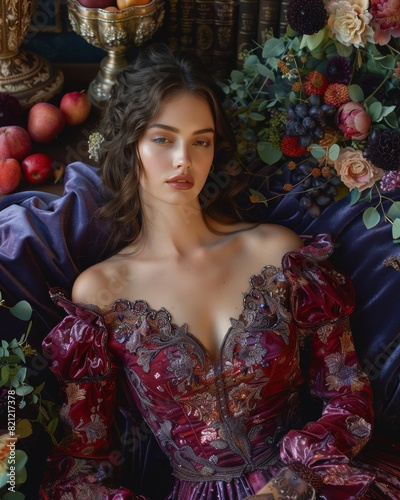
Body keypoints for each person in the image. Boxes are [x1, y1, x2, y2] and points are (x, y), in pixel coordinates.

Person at [39, 43, 389, 499]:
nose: (184, 159)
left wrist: (292, 484)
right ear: (132, 145)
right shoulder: (100, 293)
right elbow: (81, 464)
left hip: (310, 483)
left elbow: (346, 393)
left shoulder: (278, 253)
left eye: (200, 141)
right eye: (163, 139)